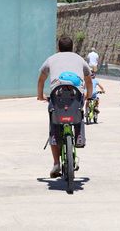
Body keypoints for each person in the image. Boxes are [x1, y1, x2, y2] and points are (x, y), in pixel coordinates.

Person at [37, 36, 93, 178]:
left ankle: (56, 163)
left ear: (59, 48)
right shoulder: (80, 59)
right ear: (72, 47)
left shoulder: (51, 59)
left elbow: (41, 78)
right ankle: (80, 136)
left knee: (54, 125)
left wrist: (40, 95)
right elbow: (88, 80)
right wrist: (89, 95)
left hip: (57, 97)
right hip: (76, 97)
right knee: (79, 113)